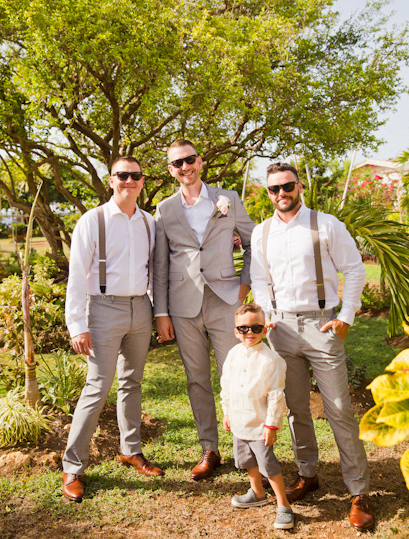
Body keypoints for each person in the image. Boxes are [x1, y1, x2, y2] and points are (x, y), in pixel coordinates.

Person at [250, 162, 374, 531]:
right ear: (267, 193)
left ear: (299, 186)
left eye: (287, 186)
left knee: (338, 409)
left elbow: (354, 269)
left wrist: (347, 315)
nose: (281, 194)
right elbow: (259, 277)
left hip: (322, 325)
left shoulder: (326, 224)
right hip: (281, 328)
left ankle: (359, 492)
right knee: (296, 409)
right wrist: (268, 313)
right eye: (274, 189)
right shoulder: (262, 232)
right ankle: (308, 475)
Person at [61, 156, 163, 503]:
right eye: (123, 175)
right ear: (111, 180)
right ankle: (73, 467)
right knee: (97, 387)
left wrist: (153, 309)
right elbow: (76, 275)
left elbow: (153, 270)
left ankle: (130, 450)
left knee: (131, 382)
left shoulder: (149, 223)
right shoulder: (93, 220)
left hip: (140, 309)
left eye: (135, 175)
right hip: (103, 309)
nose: (129, 181)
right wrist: (77, 324)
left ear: (142, 180)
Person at [153, 139, 255, 480]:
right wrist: (162, 312)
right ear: (171, 171)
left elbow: (253, 243)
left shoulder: (228, 199)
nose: (185, 167)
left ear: (201, 161)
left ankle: (245, 453)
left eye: (190, 160)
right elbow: (161, 265)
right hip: (183, 307)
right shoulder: (165, 209)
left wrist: (244, 285)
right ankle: (210, 449)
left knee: (235, 375)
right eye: (177, 163)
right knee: (197, 379)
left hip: (226, 298)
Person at [221, 303, 294, 531]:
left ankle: (283, 505)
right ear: (236, 331)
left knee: (268, 465)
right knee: (247, 461)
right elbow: (226, 386)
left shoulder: (271, 360)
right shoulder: (233, 354)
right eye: (243, 329)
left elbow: (275, 396)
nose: (249, 333)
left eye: (255, 327)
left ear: (264, 330)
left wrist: (271, 424)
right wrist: (226, 412)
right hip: (239, 421)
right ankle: (257, 493)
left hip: (259, 423)